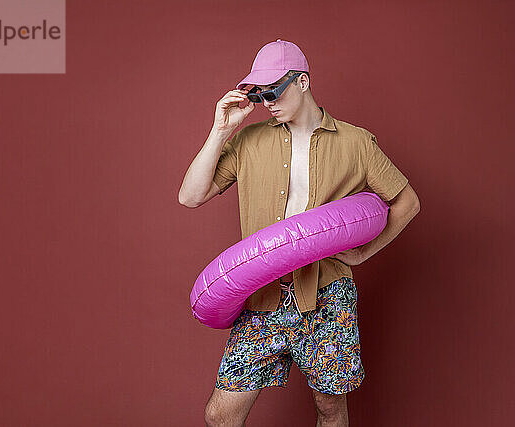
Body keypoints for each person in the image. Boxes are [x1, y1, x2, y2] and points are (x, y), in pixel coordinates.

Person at [178, 39, 420, 427]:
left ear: (302, 81)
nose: (266, 101)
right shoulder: (249, 141)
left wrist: (363, 253)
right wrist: (220, 131)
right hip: (264, 295)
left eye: (273, 90)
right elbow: (190, 196)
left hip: (327, 295)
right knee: (220, 415)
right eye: (257, 94)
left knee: (330, 410)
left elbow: (407, 201)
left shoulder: (356, 142)